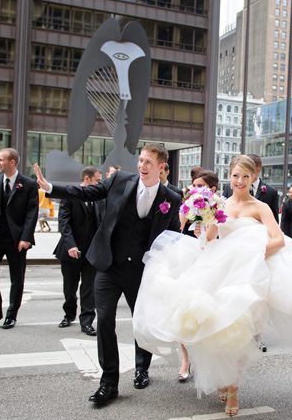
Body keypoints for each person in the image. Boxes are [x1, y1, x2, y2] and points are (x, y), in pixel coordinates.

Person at [133, 156, 292, 416]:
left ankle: (234, 388)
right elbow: (209, 239)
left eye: (246, 177)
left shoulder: (260, 207)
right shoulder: (218, 205)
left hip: (249, 275)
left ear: (253, 179)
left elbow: (278, 240)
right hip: (220, 271)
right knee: (216, 329)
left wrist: (252, 254)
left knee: (238, 331)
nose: (240, 181)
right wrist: (207, 221)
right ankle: (226, 381)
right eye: (236, 176)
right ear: (230, 177)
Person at [33, 143, 182, 406]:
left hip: (141, 272)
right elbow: (88, 192)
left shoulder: (171, 200)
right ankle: (108, 383)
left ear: (162, 168)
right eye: (141, 160)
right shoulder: (121, 180)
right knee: (104, 321)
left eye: (149, 162)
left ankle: (141, 369)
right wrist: (50, 188)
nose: (142, 166)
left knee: (141, 323)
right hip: (109, 266)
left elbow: (171, 240)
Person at [0, 148, 39, 330]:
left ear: (12, 162)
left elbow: (32, 213)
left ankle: (11, 316)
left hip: (17, 240)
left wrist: (26, 237)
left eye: (1, 160)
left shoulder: (28, 184)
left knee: (17, 279)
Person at [176, 168, 219, 384]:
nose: (196, 189)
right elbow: (179, 227)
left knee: (207, 314)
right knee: (182, 310)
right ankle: (185, 359)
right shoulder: (188, 204)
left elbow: (215, 236)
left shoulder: (220, 206)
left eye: (201, 186)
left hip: (212, 262)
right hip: (190, 259)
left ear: (212, 188)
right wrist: (186, 215)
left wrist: (207, 222)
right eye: (194, 185)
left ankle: (207, 360)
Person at [53, 166, 102, 336]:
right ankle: (69, 314)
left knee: (89, 288)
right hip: (70, 250)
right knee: (70, 286)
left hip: (91, 252)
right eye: (97, 180)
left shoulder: (99, 199)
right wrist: (71, 245)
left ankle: (87, 321)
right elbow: (64, 222)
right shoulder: (70, 195)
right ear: (87, 180)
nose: (100, 184)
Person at [223, 154, 279, 222]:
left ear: (257, 170)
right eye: (235, 175)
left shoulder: (271, 193)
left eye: (246, 176)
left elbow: (275, 221)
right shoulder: (227, 190)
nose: (240, 181)